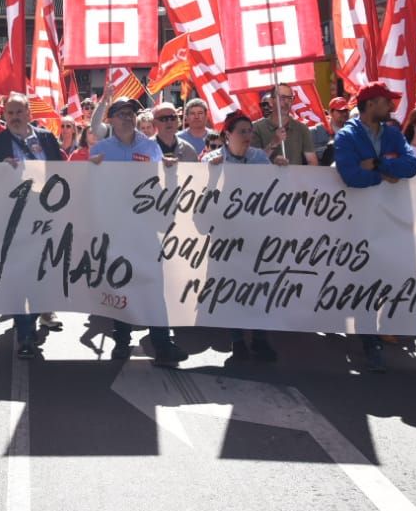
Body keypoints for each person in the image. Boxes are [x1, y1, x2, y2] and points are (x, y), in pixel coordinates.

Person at [91, 98, 184, 366]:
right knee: (121, 285)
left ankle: (163, 345)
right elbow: (89, 186)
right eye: (121, 114)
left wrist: (168, 168)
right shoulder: (102, 149)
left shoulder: (149, 146)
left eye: (131, 113)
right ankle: (121, 343)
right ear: (110, 119)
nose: (127, 118)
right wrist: (92, 169)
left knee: (153, 287)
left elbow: (158, 184)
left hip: (145, 228)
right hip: (116, 229)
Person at [333, 83, 416, 371]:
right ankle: (369, 340)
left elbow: (411, 166)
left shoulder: (393, 134)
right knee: (364, 279)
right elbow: (350, 176)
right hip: (358, 222)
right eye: (386, 101)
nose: (391, 106)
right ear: (371, 104)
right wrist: (384, 176)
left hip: (390, 220)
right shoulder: (346, 135)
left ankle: (377, 331)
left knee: (388, 276)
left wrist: (380, 165)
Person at [0, 93, 67, 356]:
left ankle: (37, 316)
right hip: (14, 218)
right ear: (4, 116)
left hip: (46, 215)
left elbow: (64, 172)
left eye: (19, 112)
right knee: (20, 274)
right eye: (10, 113)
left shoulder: (46, 138)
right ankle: (25, 334)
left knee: (43, 271)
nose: (15, 117)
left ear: (29, 113)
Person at [203, 111, 279, 361]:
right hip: (226, 237)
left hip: (256, 234)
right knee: (231, 287)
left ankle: (260, 337)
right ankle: (237, 340)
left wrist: (282, 171)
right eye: (242, 132)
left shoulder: (259, 158)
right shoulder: (213, 160)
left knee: (258, 285)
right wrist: (210, 176)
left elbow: (273, 189)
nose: (248, 136)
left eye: (250, 132)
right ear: (227, 135)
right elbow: (201, 195)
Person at [251, 85, 321, 165]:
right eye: (282, 98)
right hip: (266, 177)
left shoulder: (301, 128)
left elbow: (312, 162)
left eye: (290, 98)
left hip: (295, 177)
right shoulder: (256, 128)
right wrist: (274, 143)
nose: (286, 102)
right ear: (271, 101)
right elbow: (254, 162)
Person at [316, 97, 351, 166]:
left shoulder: (352, 129)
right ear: (331, 112)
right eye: (340, 111)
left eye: (346, 111)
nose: (344, 114)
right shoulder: (320, 129)